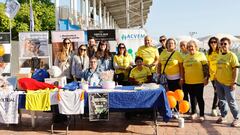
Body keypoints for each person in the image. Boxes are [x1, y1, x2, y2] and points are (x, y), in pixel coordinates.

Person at [215, 37, 240, 127]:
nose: (223, 45)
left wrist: (234, 82)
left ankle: (237, 118)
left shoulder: (232, 55)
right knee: (222, 101)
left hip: (229, 83)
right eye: (221, 44)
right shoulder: (219, 55)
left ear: (229, 45)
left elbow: (236, 70)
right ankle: (223, 116)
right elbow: (218, 68)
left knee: (231, 101)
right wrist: (216, 80)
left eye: (225, 44)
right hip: (219, 82)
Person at [183, 40, 209, 122]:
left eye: (192, 46)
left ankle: (202, 115)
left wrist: (206, 78)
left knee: (199, 98)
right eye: (189, 47)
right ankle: (194, 113)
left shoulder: (201, 55)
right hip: (188, 81)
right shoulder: (186, 57)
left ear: (195, 47)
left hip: (199, 81)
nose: (190, 48)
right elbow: (184, 69)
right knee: (192, 97)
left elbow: (206, 67)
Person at [206, 37, 220, 117]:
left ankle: (220, 109)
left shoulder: (220, 51)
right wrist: (207, 76)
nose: (213, 43)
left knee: (222, 93)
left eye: (215, 42)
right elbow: (207, 65)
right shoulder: (208, 52)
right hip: (213, 76)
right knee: (217, 92)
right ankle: (214, 109)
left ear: (217, 43)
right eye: (211, 42)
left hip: (222, 75)